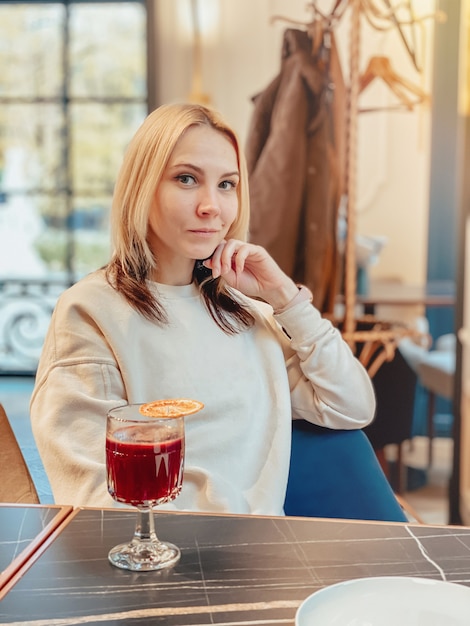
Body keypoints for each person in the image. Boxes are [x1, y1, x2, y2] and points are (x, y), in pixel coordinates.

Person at [30, 102, 376, 514]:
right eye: (187, 179)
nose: (211, 205)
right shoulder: (89, 312)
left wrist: (285, 297)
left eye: (227, 184)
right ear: (143, 187)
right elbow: (96, 494)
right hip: (163, 559)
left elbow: (352, 406)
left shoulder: (248, 314)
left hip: (262, 555)